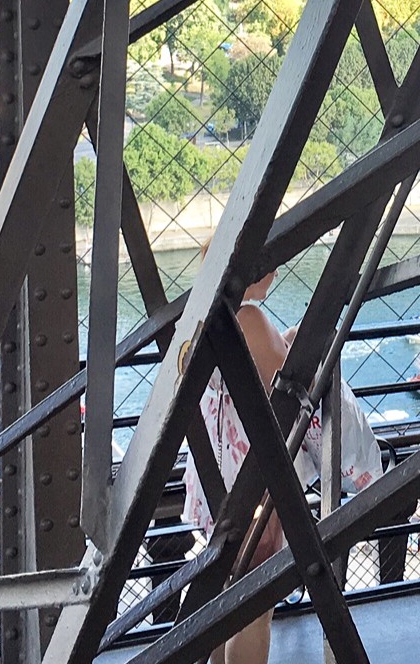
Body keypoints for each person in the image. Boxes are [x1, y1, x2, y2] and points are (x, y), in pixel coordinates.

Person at [182, 271, 291, 664]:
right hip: (253, 474)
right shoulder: (248, 319)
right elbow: (288, 375)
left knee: (224, 592)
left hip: (217, 471)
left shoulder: (207, 316)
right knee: (255, 604)